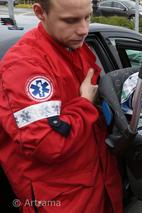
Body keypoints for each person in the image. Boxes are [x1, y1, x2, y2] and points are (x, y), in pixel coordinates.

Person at [0, 0, 122, 212]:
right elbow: (46, 143)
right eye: (70, 20)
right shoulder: (25, 65)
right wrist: (84, 104)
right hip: (62, 199)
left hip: (97, 182)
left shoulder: (74, 47)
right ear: (40, 12)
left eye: (87, 17)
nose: (84, 30)